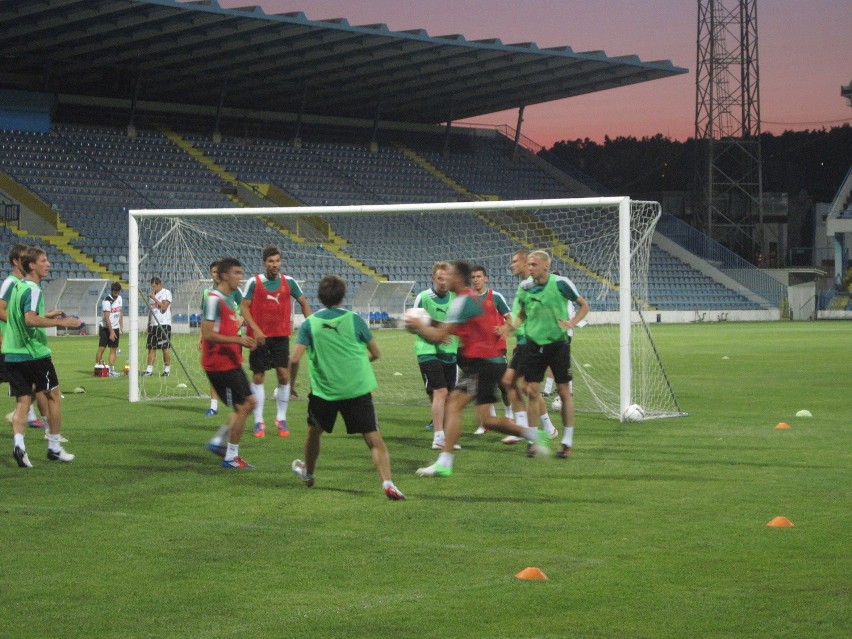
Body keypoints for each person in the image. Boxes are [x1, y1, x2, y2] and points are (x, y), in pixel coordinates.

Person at [407, 260, 550, 478]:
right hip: (489, 362)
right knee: (486, 420)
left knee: (453, 406)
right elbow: (452, 329)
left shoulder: (462, 302)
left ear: (459, 278)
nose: (446, 278)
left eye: (450, 275)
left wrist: (418, 326)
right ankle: (533, 434)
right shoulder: (468, 300)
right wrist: (429, 322)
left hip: (480, 363)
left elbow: (438, 337)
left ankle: (444, 463)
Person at [289, 275, 405, 500]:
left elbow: (294, 360)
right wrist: (357, 365)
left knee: (314, 433)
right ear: (344, 296)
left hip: (325, 392)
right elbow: (376, 353)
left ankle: (309, 474)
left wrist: (290, 386)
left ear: (319, 297)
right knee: (373, 438)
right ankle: (388, 483)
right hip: (357, 389)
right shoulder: (355, 320)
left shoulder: (310, 323)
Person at [3, 247, 81, 467]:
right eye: (44, 261)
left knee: (23, 401)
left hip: (13, 354)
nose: (48, 264)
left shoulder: (18, 286)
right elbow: (29, 320)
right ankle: (54, 448)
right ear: (31, 266)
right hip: (34, 354)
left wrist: (46, 315)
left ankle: (19, 445)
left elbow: (19, 316)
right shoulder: (34, 290)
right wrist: (62, 322)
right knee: (54, 397)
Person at [512, 250, 590, 459]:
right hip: (533, 345)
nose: (530, 268)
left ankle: (567, 441)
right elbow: (522, 313)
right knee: (531, 392)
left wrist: (572, 323)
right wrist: (511, 327)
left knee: (564, 392)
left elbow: (583, 305)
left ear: (545, 266)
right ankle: (534, 440)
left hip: (558, 346)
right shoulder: (525, 287)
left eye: (534, 265)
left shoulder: (561, 283)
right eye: (528, 265)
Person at [240, 245, 311, 438]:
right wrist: (255, 329)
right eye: (271, 261)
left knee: (284, 376)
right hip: (259, 338)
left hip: (280, 337)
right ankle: (258, 421)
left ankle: (281, 419)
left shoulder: (289, 282)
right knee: (258, 377)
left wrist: (312, 327)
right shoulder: (254, 283)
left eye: (277, 261)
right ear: (264, 263)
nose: (275, 264)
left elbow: (304, 303)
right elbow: (244, 308)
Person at [200, 258, 257, 469]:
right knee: (245, 405)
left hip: (230, 361)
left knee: (249, 403)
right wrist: (238, 339)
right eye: (236, 273)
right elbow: (208, 334)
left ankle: (219, 442)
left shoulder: (228, 297)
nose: (240, 278)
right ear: (224, 275)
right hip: (219, 364)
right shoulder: (214, 299)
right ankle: (231, 456)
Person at [498, 249, 557, 445]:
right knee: (522, 386)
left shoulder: (537, 286)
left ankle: (529, 429)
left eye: (515, 261)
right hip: (523, 342)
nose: (511, 265)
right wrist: (509, 328)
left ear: (525, 263)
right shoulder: (524, 287)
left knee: (515, 384)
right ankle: (545, 428)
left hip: (533, 343)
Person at [0, 243, 50, 431]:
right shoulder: (10, 283)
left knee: (36, 383)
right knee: (35, 384)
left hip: (18, 343)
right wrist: (17, 326)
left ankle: (25, 414)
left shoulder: (25, 285)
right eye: (24, 258)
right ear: (15, 261)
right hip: (7, 342)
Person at [412, 261, 460, 450]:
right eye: (439, 278)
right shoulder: (423, 297)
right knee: (440, 392)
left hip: (450, 352)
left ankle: (444, 435)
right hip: (428, 351)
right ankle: (438, 437)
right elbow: (413, 325)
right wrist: (435, 336)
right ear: (433, 278)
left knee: (447, 395)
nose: (443, 282)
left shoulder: (456, 298)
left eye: (446, 278)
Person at [469, 264, 514, 432]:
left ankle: (510, 413)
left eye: (478, 276)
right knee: (481, 386)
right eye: (473, 277)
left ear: (486, 278)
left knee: (503, 384)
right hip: (477, 350)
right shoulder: (469, 299)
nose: (475, 280)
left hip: (496, 349)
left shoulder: (495, 297)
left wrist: (503, 328)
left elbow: (510, 319)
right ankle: (487, 421)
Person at [198, 260, 243, 416]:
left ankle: (233, 402)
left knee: (233, 373)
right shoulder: (207, 294)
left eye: (218, 272)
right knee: (215, 373)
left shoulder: (234, 291)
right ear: (211, 274)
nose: (216, 275)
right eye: (213, 272)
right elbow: (206, 319)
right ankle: (214, 406)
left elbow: (245, 308)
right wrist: (201, 338)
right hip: (215, 339)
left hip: (234, 338)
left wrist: (240, 321)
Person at [143, 276, 172, 376]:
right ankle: (149, 370)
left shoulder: (166, 293)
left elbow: (164, 307)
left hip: (163, 324)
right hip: (153, 325)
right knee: (151, 347)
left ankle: (167, 370)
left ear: (159, 284)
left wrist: (154, 298)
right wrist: (148, 324)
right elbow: (151, 311)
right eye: (152, 287)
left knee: (164, 348)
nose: (153, 288)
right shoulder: (152, 295)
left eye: (154, 286)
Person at [95, 281, 124, 377]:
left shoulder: (120, 298)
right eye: (114, 290)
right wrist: (111, 332)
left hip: (115, 327)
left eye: (117, 291)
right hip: (105, 327)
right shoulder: (107, 301)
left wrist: (121, 326)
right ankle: (98, 367)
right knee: (102, 348)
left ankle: (111, 370)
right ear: (111, 290)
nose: (116, 292)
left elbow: (120, 312)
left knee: (113, 349)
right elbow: (107, 318)